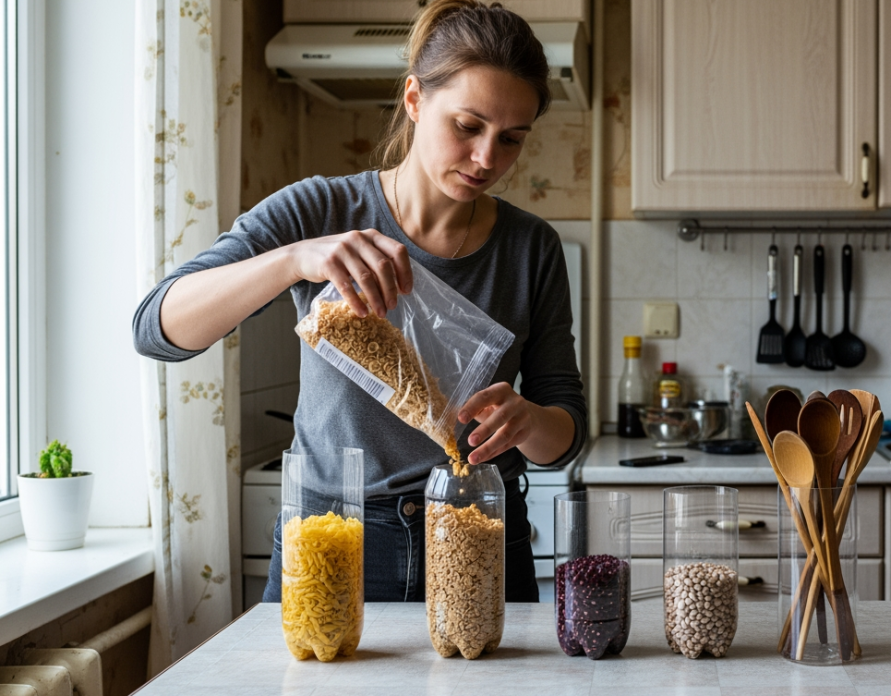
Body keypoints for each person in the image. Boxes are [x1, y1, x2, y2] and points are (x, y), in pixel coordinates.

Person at [132, 0, 586, 603]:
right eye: (468, 126)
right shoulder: (319, 211)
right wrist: (296, 259)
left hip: (479, 530)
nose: (486, 159)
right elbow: (156, 328)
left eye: (511, 139)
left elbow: (565, 432)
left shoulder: (532, 248)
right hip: (332, 532)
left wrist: (530, 421)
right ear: (416, 100)